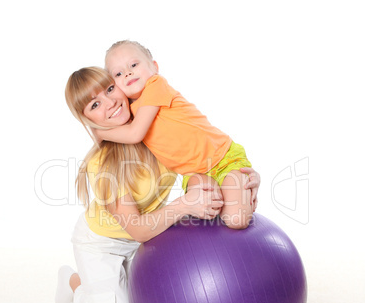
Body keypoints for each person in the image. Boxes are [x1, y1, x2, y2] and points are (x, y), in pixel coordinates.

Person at [55, 66, 261, 303]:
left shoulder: (155, 131)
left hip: (148, 237)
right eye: (94, 104)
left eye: (109, 89)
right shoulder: (102, 164)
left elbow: (208, 160)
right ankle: (75, 284)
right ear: (87, 119)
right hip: (104, 243)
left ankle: (107, 285)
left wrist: (243, 177)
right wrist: (185, 204)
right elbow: (138, 230)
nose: (110, 102)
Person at [93, 40, 256, 229]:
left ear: (154, 67)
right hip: (194, 173)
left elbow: (135, 134)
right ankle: (231, 195)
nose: (128, 73)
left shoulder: (156, 85)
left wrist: (99, 133)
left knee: (237, 219)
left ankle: (238, 188)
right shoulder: (128, 111)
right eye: (118, 73)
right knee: (206, 210)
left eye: (134, 65)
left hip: (224, 157)